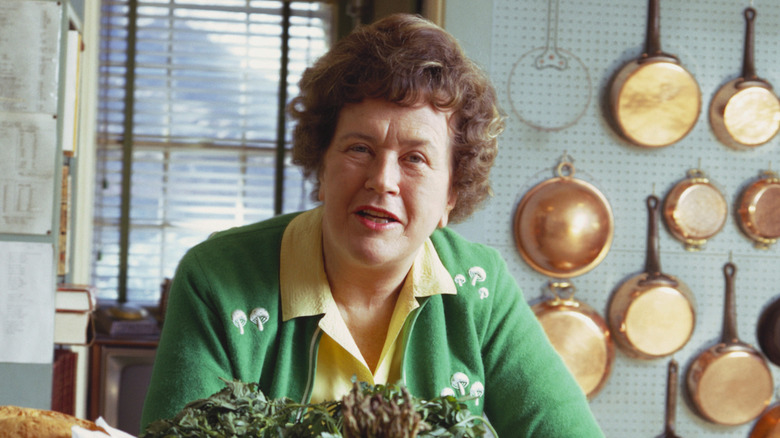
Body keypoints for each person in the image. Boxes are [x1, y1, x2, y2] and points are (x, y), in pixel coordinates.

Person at [140, 13, 604, 437]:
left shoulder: (481, 290)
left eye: (415, 159)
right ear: (322, 166)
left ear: (450, 195)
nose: (382, 180)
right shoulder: (217, 279)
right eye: (359, 148)